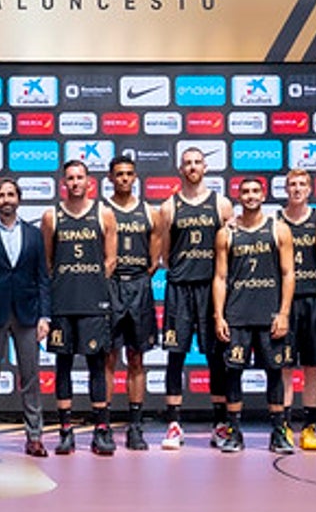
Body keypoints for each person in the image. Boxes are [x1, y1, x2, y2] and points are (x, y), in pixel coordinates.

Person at [0, 177, 51, 458]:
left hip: (28, 315)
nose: (6, 199)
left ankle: (35, 437)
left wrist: (45, 316)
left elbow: (42, 279)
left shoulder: (34, 234)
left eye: (11, 194)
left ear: (19, 199)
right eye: (1, 195)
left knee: (30, 378)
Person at [157, 147, 234, 449]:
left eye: (197, 162)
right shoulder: (169, 207)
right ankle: (174, 424)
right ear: (180, 169)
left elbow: (228, 250)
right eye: (187, 163)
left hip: (211, 289)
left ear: (205, 167)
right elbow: (164, 254)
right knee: (175, 356)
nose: (192, 167)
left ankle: (219, 424)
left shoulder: (222, 204)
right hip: (179, 289)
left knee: (217, 357)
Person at [39, 160, 118, 455]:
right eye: (70, 178)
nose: (75, 183)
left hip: (93, 304)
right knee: (63, 367)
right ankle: (66, 431)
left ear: (89, 182)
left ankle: (101, 430)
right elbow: (47, 262)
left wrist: (92, 283)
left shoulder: (104, 214)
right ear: (64, 183)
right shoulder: (52, 217)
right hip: (62, 305)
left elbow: (111, 259)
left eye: (80, 178)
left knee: (97, 365)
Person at [212, 177, 294, 453]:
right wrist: (219, 316)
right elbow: (220, 277)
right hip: (237, 316)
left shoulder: (279, 229)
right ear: (238, 195)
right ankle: (234, 432)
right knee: (233, 374)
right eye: (245, 191)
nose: (250, 196)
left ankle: (279, 432)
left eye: (255, 191)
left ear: (263, 194)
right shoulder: (226, 233)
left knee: (274, 372)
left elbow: (288, 274)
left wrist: (283, 313)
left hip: (269, 315)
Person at [103, 154, 160, 450]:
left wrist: (137, 278)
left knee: (136, 359)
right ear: (110, 178)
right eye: (119, 174)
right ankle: (107, 425)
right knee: (109, 358)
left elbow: (154, 260)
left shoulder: (150, 212)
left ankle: (135, 426)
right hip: (110, 287)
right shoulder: (101, 211)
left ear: (135, 177)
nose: (124, 178)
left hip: (138, 285)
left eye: (129, 174)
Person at [278, 169, 316, 451]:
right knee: (285, 368)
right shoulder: (275, 220)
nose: (297, 189)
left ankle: (309, 428)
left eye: (302, 184)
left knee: (312, 368)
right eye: (292, 184)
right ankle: (284, 426)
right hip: (284, 304)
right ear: (285, 189)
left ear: (310, 189)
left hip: (313, 299)